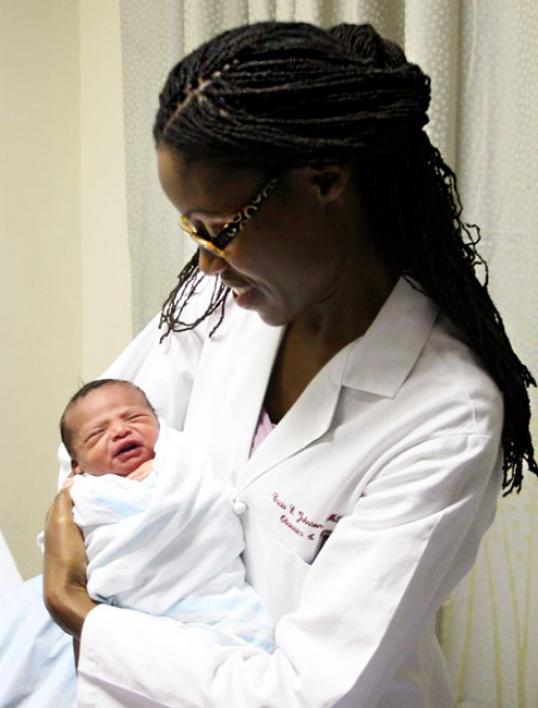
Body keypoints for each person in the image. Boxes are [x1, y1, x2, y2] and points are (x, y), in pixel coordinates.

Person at [42, 21, 537, 707]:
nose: (207, 262)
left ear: (325, 180)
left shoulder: (445, 414)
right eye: (194, 231)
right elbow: (89, 435)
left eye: (221, 229)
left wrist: (81, 613)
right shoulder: (220, 299)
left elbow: (303, 693)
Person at [56, 378, 273, 651]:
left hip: (217, 598)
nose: (120, 430)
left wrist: (158, 477)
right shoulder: (85, 495)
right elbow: (71, 551)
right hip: (140, 616)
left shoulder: (180, 458)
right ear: (77, 465)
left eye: (133, 417)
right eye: (97, 433)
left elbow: (209, 504)